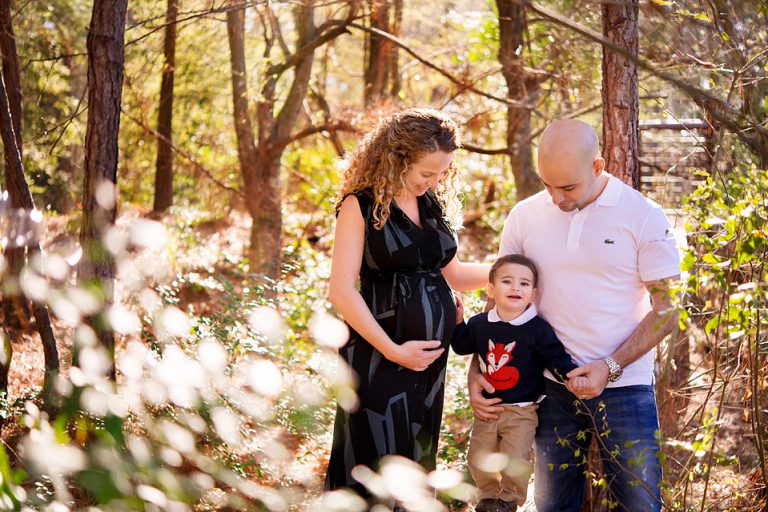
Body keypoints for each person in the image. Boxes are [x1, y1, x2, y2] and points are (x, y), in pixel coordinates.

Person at [469, 119, 680, 512]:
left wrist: (610, 366)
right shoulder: (524, 215)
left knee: (640, 506)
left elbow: (668, 311)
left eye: (568, 187)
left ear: (598, 167)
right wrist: (477, 372)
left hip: (625, 389)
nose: (556, 198)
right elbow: (497, 303)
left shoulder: (643, 215)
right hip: (548, 390)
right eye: (548, 184)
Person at [325, 108, 490, 501]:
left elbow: (456, 274)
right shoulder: (360, 206)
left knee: (416, 463)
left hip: (427, 366)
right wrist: (394, 351)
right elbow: (341, 290)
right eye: (426, 173)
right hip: (378, 357)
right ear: (398, 160)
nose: (434, 181)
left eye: (442, 173)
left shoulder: (430, 204)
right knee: (375, 462)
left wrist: (508, 269)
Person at [452, 254, 587, 512]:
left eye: (524, 284)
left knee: (515, 459)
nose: (516, 288)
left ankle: (508, 500)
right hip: (488, 411)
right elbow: (461, 346)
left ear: (533, 294)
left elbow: (556, 358)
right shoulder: (481, 324)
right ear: (491, 289)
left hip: (522, 411)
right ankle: (488, 498)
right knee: (478, 457)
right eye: (507, 281)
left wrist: (574, 376)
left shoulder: (537, 328)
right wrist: (458, 322)